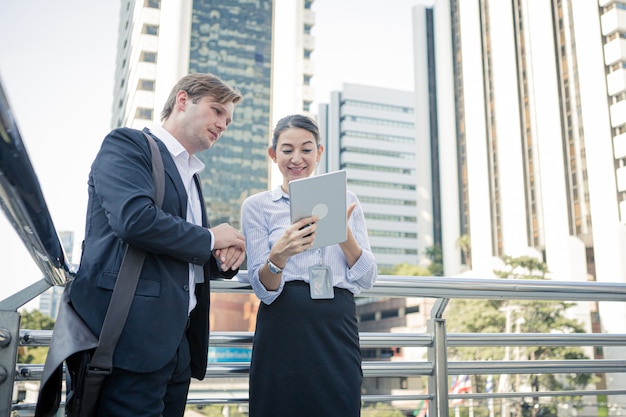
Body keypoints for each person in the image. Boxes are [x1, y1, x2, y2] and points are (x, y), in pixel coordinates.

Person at [67, 73, 246, 417]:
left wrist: (223, 258)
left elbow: (175, 253)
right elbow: (133, 220)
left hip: (177, 345)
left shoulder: (192, 177)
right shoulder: (127, 144)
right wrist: (210, 237)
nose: (224, 124)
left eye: (228, 119)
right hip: (130, 341)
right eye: (217, 111)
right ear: (183, 100)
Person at [241, 114, 378, 416]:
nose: (297, 158)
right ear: (273, 154)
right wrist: (279, 255)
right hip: (282, 327)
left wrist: (344, 237)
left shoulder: (347, 199)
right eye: (287, 149)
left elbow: (367, 278)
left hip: (336, 328)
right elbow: (263, 290)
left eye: (306, 149)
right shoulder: (257, 206)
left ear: (319, 152)